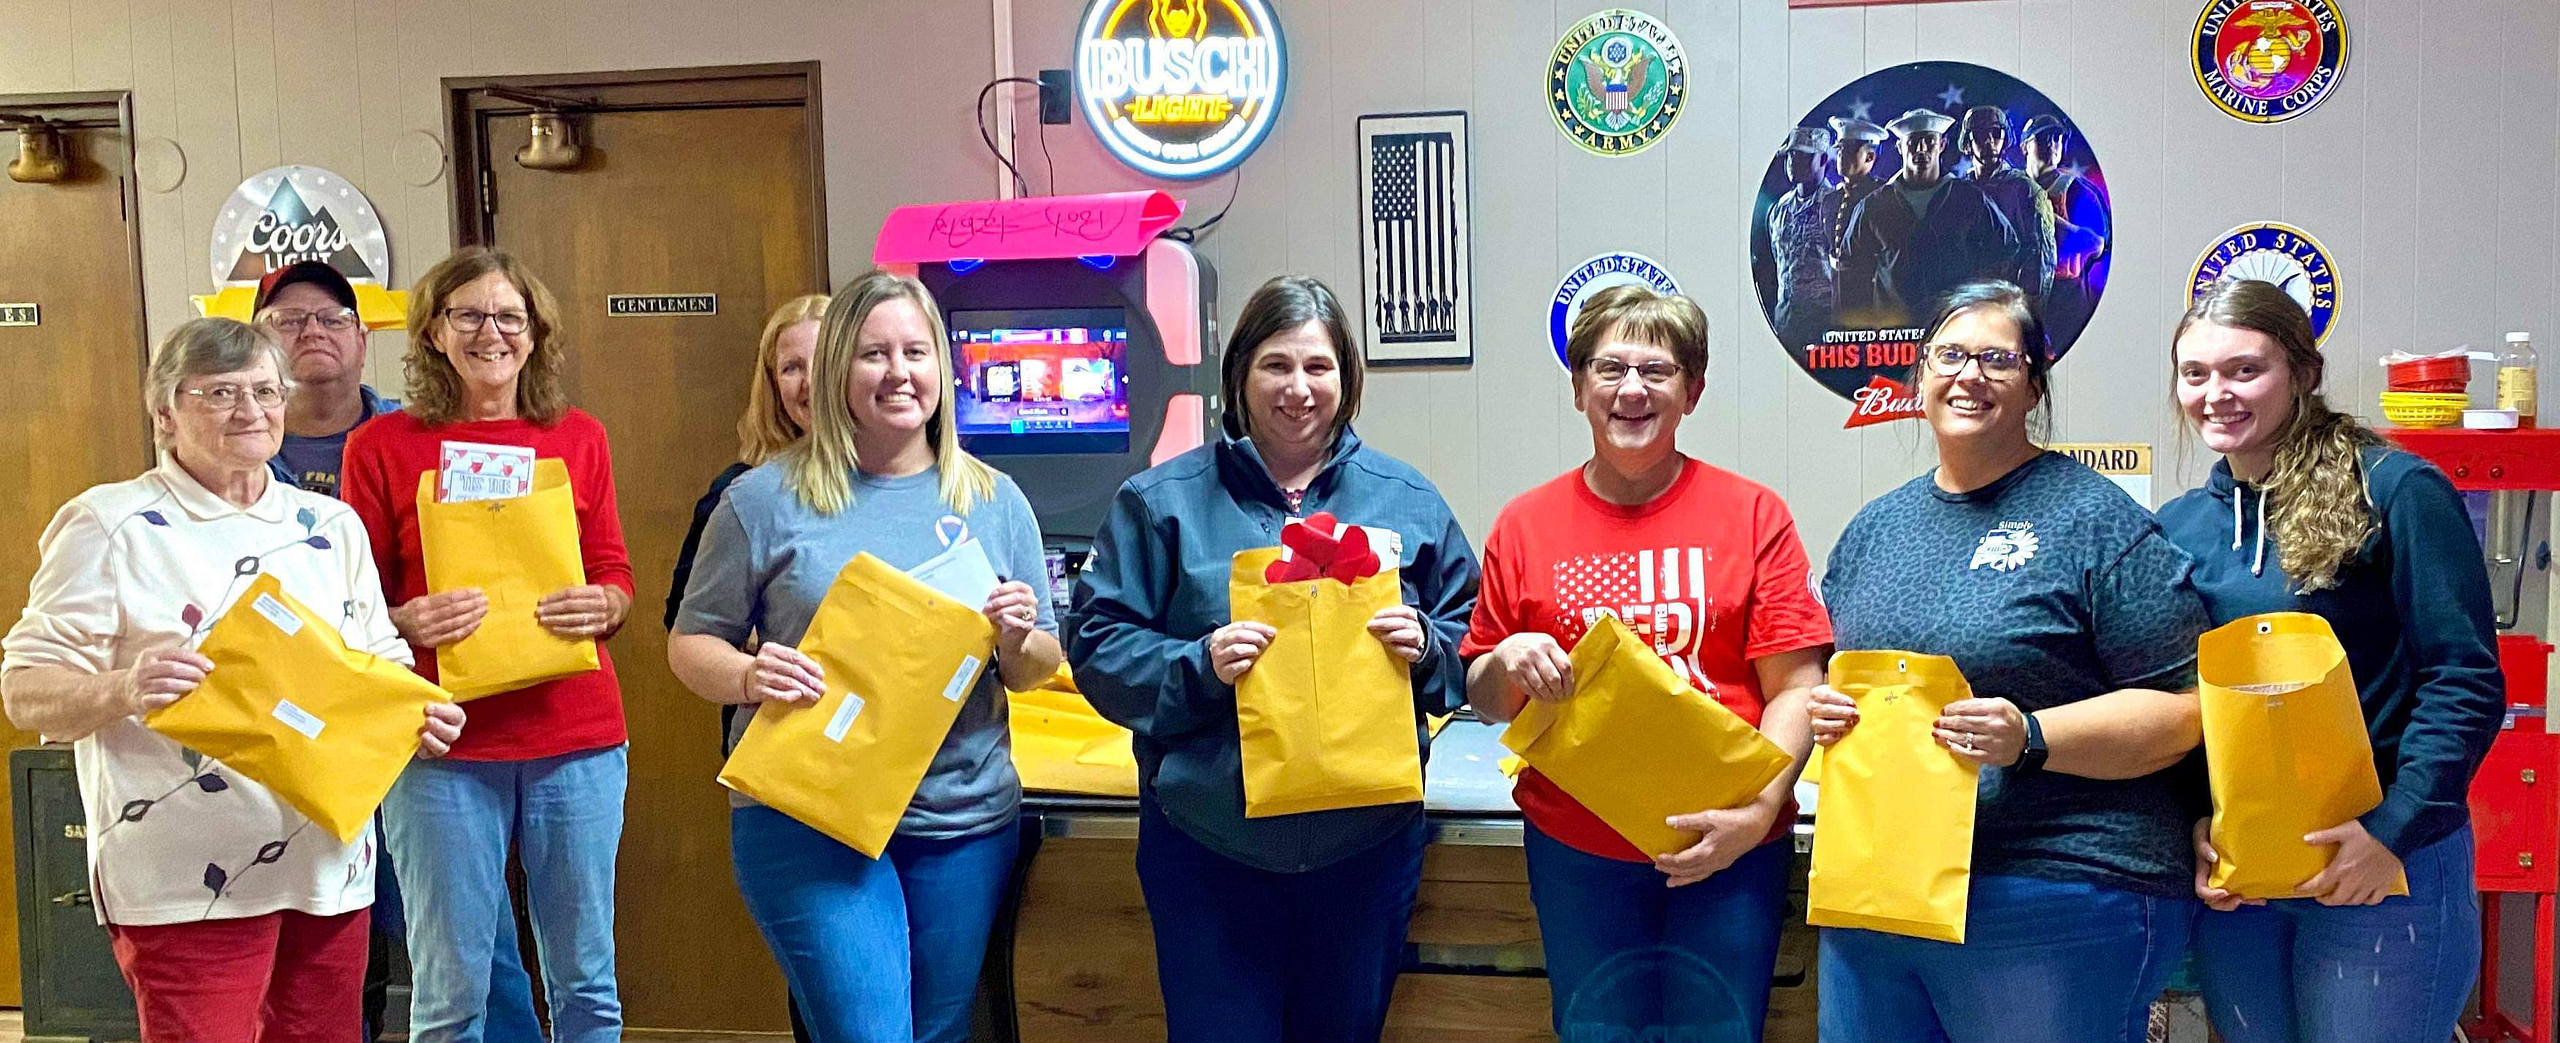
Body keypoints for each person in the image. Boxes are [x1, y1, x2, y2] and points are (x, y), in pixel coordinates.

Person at [2, 318, 466, 1043]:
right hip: (185, 877)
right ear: (165, 413)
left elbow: (382, 663)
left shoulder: (330, 524)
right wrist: (123, 688)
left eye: (266, 391)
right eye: (220, 393)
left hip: (329, 868)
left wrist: (421, 717)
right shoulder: (108, 523)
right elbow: (24, 688)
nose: (250, 410)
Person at [1067, 275, 1480, 1043]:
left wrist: (1428, 646)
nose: (1298, 388)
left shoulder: (1407, 499)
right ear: (1239, 375)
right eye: (1276, 365)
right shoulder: (1160, 503)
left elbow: (1474, 635)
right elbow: (1096, 644)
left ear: (1346, 378)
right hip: (1209, 850)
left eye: (1318, 366)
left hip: (1363, 853)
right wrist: (1199, 663)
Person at [1809, 281, 2210, 1042]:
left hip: (2053, 880)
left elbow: (2184, 710)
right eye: (1950, 355)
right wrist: (1831, 712)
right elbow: (1850, 679)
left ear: (2034, 385)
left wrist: (2030, 735)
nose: (1970, 375)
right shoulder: (1874, 529)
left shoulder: (2094, 519)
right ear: (1919, 376)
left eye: (1998, 359)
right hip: (1881, 884)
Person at [668, 272, 1057, 1043]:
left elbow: (1035, 660)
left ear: (942, 366)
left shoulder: (995, 499)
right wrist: (747, 674)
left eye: (916, 351)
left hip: (961, 818)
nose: (898, 372)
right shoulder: (761, 500)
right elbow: (691, 641)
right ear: (837, 366)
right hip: (811, 814)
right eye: (874, 353)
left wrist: (1017, 636)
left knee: (941, 1029)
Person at [1462, 285, 1829, 1042]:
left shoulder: (1753, 514)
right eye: (1610, 368)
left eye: (1657, 371)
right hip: (1579, 849)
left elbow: (1796, 684)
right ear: (1579, 389)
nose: (1632, 389)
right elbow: (1487, 698)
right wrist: (1505, 658)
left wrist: (1758, 812)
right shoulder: (1524, 525)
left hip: (1729, 845)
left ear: (1692, 392)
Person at [2162, 278, 2503, 1042]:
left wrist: (2392, 829)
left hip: (2384, 864)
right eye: (2195, 373)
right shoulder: (2180, 527)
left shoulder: (2395, 490)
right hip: (2247, 880)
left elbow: (2464, 677)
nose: (2217, 393)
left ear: (2304, 373)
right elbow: (2181, 701)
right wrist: (2196, 823)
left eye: (2245, 369)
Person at [341, 248, 635, 1043]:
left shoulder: (579, 436)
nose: (490, 332)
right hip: (440, 743)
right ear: (434, 331)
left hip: (575, 738)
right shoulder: (379, 445)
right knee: (449, 992)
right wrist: (405, 619)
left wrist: (606, 602)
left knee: (587, 982)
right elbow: (350, 604)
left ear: (535, 333)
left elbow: (614, 571)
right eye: (467, 315)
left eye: (509, 316)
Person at [248, 259, 543, 1043]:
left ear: (363, 337)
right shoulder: (233, 453)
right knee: (322, 939)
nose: (313, 332)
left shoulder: (421, 437)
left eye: (332, 318)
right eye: (288, 320)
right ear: (259, 341)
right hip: (292, 729)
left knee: (467, 934)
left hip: (415, 725)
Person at [1837, 110, 2019, 330]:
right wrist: (1860, 329)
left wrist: (1980, 304)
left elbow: (2005, 249)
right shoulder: (1874, 205)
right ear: (1900, 147)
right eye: (1913, 142)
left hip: (1955, 329)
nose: (1921, 149)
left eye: (1929, 141)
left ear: (1942, 145)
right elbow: (1851, 268)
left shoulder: (1969, 198)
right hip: (1894, 334)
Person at [2022, 114, 2108, 346]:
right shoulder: (2011, 188)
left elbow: (2097, 245)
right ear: (2025, 147)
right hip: (2018, 296)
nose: (2052, 144)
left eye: (2057, 138)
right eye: (2043, 137)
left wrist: (2047, 218)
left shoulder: (2077, 191)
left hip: (2065, 297)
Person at [1957, 106, 2055, 298]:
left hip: (2008, 298)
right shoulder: (1957, 192)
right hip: (1966, 297)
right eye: (1980, 134)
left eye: (1996, 133)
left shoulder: (2025, 190)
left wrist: (2029, 306)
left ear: (2005, 140)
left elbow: (2041, 258)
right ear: (1968, 144)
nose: (1989, 141)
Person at [1755, 126, 1838, 344]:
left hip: (1826, 322)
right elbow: (1777, 261)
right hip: (1787, 321)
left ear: (1822, 160)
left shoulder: (1837, 205)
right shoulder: (1779, 209)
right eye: (1790, 155)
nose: (1793, 162)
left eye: (1803, 156)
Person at [1820, 116, 1888, 263]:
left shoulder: (1882, 197)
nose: (1841, 155)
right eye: (1840, 148)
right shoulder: (1830, 200)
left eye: (1850, 150)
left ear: (1870, 157)